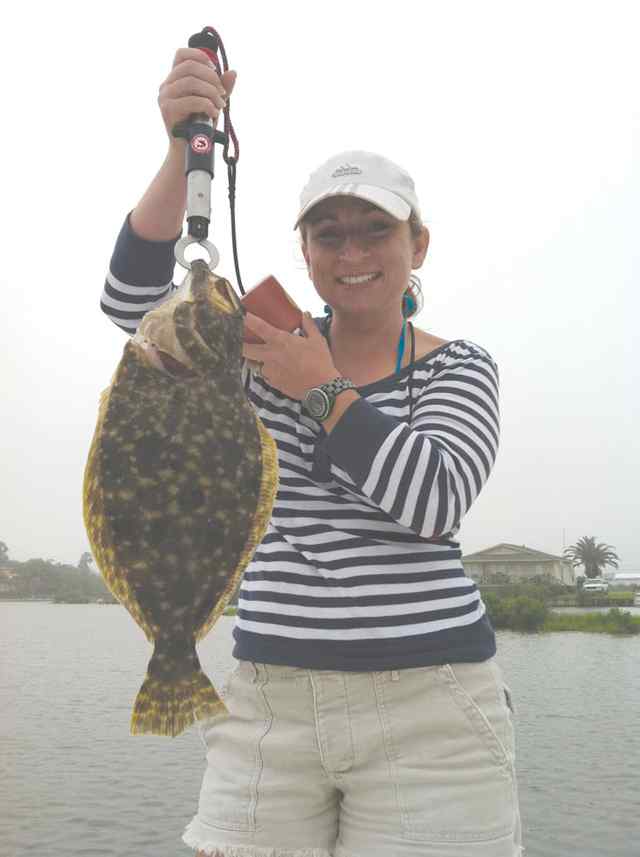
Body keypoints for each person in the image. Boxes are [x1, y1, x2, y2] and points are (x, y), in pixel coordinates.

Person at [101, 48, 523, 857]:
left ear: (418, 245)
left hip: (431, 706)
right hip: (270, 701)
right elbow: (129, 301)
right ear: (306, 253)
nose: (352, 252)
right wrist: (175, 150)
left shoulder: (460, 365)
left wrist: (321, 389)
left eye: (376, 230)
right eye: (329, 235)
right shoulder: (257, 347)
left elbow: (434, 499)